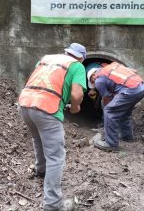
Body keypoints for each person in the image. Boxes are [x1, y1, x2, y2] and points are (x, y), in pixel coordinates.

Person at [18, 43, 87, 211]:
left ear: (66, 52)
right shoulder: (77, 66)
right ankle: (53, 204)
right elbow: (76, 94)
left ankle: (40, 170)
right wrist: (76, 107)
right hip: (47, 109)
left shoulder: (46, 58)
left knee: (37, 139)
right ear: (81, 58)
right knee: (56, 156)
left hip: (25, 103)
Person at [86, 62, 144, 152]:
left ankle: (111, 143)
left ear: (94, 74)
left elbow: (107, 99)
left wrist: (107, 115)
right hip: (141, 87)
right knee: (125, 112)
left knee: (109, 111)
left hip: (130, 91)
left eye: (92, 81)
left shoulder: (99, 80)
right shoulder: (112, 67)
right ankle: (127, 136)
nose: (94, 83)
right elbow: (134, 71)